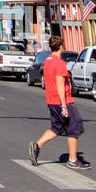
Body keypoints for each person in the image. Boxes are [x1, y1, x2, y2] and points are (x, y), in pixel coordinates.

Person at [28, 35, 89, 169]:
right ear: (61, 46)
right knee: (74, 128)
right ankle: (73, 160)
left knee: (56, 128)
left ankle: (37, 145)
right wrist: (64, 105)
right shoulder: (59, 63)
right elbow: (60, 85)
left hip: (51, 100)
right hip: (62, 101)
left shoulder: (48, 61)